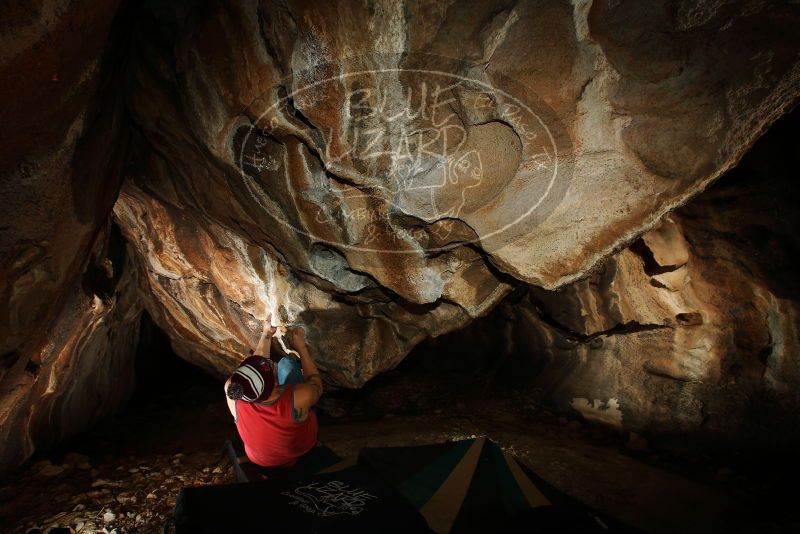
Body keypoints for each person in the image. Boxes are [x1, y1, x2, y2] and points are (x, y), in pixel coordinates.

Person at [224, 315, 323, 467]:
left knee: (284, 365)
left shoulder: (233, 391)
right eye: (270, 365)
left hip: (259, 459)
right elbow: (316, 384)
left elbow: (256, 369)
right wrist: (302, 348)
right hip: (297, 450)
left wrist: (267, 333)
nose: (269, 362)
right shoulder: (298, 397)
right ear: (275, 383)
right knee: (286, 363)